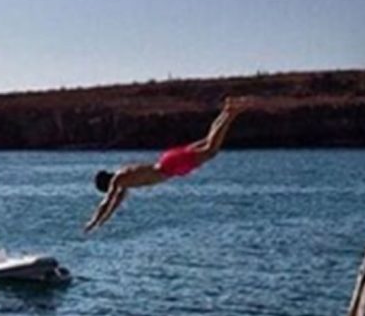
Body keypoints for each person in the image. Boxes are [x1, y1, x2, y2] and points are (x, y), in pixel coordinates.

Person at [84, 97, 256, 233]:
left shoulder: (119, 180)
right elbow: (113, 205)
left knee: (211, 150)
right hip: (168, 162)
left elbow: (106, 203)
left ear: (107, 184)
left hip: (169, 167)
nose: (111, 192)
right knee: (206, 142)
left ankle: (231, 113)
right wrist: (102, 222)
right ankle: (226, 110)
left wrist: (94, 221)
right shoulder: (123, 180)